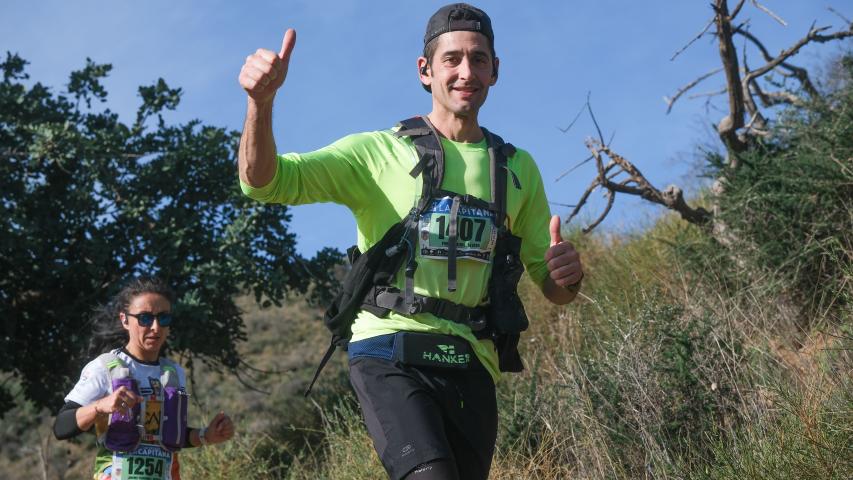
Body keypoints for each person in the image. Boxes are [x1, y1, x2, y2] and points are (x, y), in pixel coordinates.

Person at [238, 3, 583, 479]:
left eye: (479, 59)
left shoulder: (518, 168)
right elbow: (265, 182)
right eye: (453, 59)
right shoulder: (375, 152)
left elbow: (553, 286)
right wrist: (261, 103)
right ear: (425, 70)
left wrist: (567, 275)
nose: (467, 72)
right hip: (388, 349)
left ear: (496, 70)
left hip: (472, 363)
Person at [53, 277, 235, 480]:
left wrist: (206, 435)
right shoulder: (105, 367)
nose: (156, 327)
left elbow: (169, 436)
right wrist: (99, 407)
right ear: (125, 320)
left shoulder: (174, 373)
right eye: (145, 318)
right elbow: (61, 426)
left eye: (163, 318)